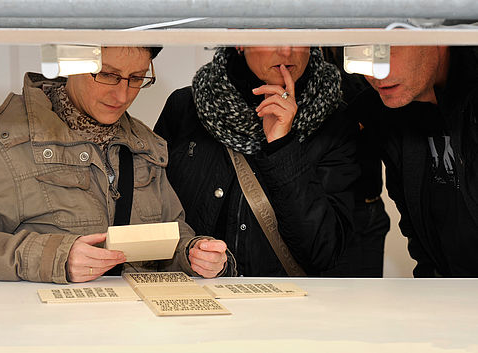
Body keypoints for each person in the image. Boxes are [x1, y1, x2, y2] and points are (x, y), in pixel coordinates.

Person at [0, 46, 233, 284]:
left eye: (135, 78)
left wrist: (193, 253)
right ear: (72, 63)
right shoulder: (6, 146)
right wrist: (54, 257)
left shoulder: (146, 145)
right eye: (108, 75)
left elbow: (170, 233)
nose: (122, 96)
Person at [154, 46, 359, 276]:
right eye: (271, 36)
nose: (287, 50)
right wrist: (191, 251)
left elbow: (324, 253)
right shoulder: (186, 107)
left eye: (298, 35)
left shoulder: (335, 121)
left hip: (281, 304)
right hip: (196, 298)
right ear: (241, 41)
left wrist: (282, 146)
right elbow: (155, 220)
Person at [352, 46, 478, 277]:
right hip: (448, 298)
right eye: (365, 50)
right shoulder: (383, 111)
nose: (374, 73)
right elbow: (419, 233)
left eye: (388, 49)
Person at [321, 47, 391, 277]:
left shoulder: (361, 48)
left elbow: (379, 113)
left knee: (370, 305)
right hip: (335, 211)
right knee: (337, 304)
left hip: (371, 203)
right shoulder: (306, 57)